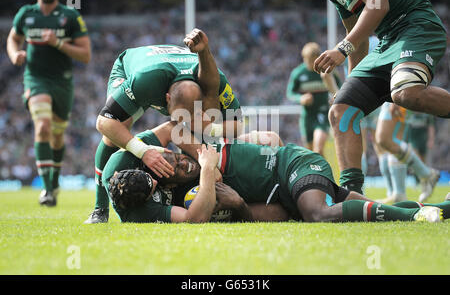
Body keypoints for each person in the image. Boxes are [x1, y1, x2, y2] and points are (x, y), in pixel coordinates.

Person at [104, 122, 448, 223]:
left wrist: (206, 165)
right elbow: (275, 214)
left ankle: (411, 220)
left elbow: (177, 128)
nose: (184, 162)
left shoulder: (211, 156)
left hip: (294, 164)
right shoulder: (203, 189)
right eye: (178, 169)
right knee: (355, 204)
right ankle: (437, 210)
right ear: (172, 183)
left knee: (318, 214)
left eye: (177, 157)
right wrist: (238, 206)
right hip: (290, 188)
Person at [85, 30, 243, 223]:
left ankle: (200, 186)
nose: (182, 122)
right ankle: (99, 209)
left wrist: (210, 131)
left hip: (172, 71)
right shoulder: (145, 82)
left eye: (189, 116)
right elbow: (104, 122)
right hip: (135, 69)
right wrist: (143, 151)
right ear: (166, 99)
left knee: (206, 126)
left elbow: (237, 126)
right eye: (180, 116)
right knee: (114, 132)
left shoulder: (215, 79)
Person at [315, 0, 450, 194]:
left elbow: (379, 4)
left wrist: (342, 49)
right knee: (341, 109)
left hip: (416, 25)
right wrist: (351, 83)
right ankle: (352, 195)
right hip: (387, 41)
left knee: (405, 92)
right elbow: (354, 32)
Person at [6, 0, 91, 206]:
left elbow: (86, 55)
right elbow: (13, 39)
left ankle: (53, 183)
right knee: (43, 127)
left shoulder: (70, 16)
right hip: (35, 79)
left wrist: (59, 43)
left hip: (62, 82)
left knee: (57, 135)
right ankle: (47, 189)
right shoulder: (26, 13)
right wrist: (15, 54)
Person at [375, 103, 439, 203]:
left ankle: (426, 174)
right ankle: (399, 193)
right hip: (396, 96)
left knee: (385, 140)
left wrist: (394, 100)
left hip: (397, 95)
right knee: (394, 142)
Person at [286, 42, 341, 156]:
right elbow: (290, 93)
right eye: (309, 60)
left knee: (318, 149)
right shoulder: (298, 73)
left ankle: (323, 174)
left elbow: (340, 88)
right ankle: (318, 173)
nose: (312, 64)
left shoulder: (327, 70)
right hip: (307, 116)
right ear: (304, 58)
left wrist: (335, 98)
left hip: (323, 113)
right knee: (311, 153)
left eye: (314, 60)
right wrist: (301, 98)